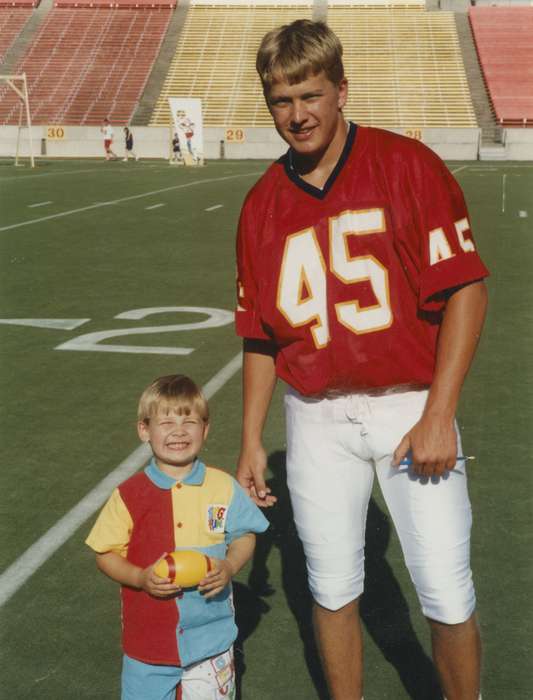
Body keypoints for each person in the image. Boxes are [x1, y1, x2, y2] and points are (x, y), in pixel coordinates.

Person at [235, 19, 488, 700]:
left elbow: (465, 288)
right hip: (315, 418)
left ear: (341, 89)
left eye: (310, 95)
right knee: (332, 586)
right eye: (281, 101)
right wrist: (253, 438)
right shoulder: (261, 202)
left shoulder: (406, 166)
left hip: (409, 406)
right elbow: (260, 333)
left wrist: (440, 412)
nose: (297, 115)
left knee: (444, 589)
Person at [86, 374, 269, 700]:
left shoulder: (222, 486)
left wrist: (229, 566)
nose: (179, 431)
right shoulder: (130, 494)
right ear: (144, 430)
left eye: (190, 421)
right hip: (149, 643)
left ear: (206, 429)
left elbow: (244, 534)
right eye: (166, 422)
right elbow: (105, 553)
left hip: (210, 640)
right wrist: (140, 577)